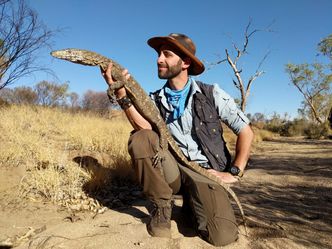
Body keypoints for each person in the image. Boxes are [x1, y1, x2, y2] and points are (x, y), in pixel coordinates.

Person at [101, 33, 254, 246]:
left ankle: (194, 202)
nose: (159, 59)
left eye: (167, 54)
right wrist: (121, 95)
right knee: (141, 138)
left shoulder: (211, 93)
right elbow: (145, 128)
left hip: (204, 171)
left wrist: (235, 173)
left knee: (222, 236)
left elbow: (246, 131)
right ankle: (161, 210)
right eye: (158, 54)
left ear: (186, 62)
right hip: (172, 167)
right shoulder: (155, 99)